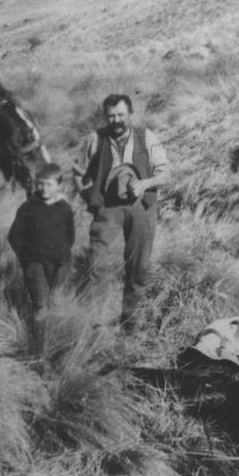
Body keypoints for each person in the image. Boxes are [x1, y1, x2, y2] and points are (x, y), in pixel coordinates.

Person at [74, 94, 171, 333]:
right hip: (107, 209)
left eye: (121, 115)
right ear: (105, 117)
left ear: (131, 115)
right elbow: (78, 172)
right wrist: (90, 198)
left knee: (139, 267)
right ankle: (95, 327)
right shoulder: (94, 139)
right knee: (97, 264)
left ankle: (130, 326)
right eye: (111, 116)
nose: (116, 120)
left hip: (141, 207)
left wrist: (144, 184)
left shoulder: (146, 137)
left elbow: (166, 174)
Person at [7, 162, 75, 354]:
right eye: (41, 184)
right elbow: (14, 236)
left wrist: (62, 255)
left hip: (60, 264)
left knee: (57, 303)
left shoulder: (65, 208)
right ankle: (38, 352)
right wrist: (27, 258)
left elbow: (70, 236)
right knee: (40, 306)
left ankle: (56, 347)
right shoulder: (28, 208)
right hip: (34, 264)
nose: (44, 188)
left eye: (49, 184)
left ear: (59, 185)